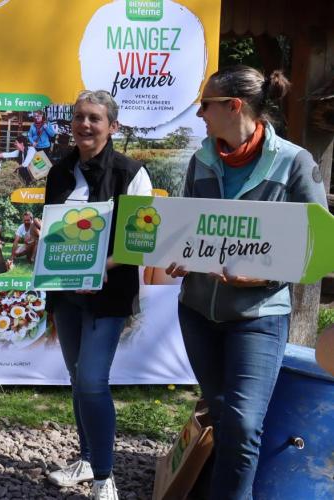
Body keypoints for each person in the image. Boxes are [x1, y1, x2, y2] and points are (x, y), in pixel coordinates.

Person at [165, 66, 325, 500]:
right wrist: (178, 255)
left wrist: (268, 273)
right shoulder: (201, 159)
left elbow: (319, 248)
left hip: (257, 316)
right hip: (197, 311)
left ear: (234, 106)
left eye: (206, 104)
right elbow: (190, 230)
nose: (199, 114)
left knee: (244, 423)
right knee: (222, 415)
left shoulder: (295, 163)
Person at [41, 90, 151, 500]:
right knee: (76, 377)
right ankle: (86, 459)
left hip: (109, 294)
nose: (84, 125)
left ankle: (105, 476)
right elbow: (57, 230)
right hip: (67, 293)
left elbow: (140, 241)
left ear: (112, 126)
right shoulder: (60, 172)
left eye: (94, 118)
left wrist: (98, 268)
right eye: (78, 117)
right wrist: (42, 245)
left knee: (91, 379)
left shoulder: (131, 173)